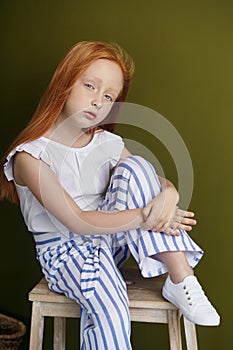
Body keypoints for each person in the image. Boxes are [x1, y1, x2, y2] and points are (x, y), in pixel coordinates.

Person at [0, 41, 219, 349]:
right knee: (110, 304)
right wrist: (146, 216)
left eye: (108, 96)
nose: (97, 102)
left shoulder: (104, 142)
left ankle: (181, 278)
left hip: (110, 240)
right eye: (90, 86)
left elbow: (149, 180)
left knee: (136, 165)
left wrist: (168, 194)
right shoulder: (30, 156)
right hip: (65, 253)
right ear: (64, 83)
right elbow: (76, 221)